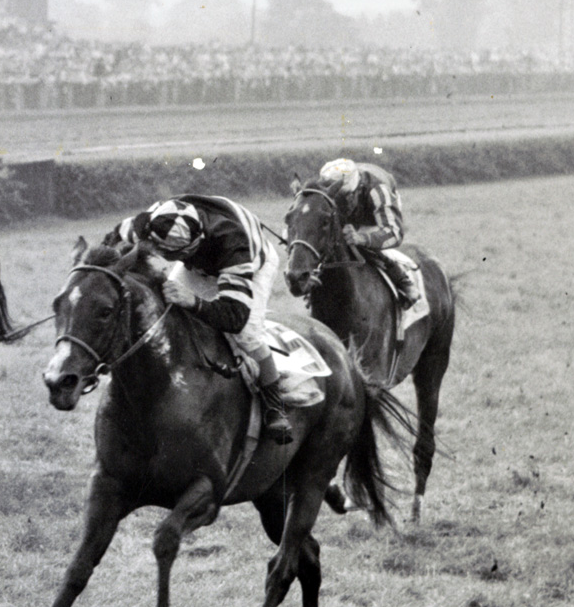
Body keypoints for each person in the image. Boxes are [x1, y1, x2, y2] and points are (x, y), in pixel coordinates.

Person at [108, 195, 294, 444]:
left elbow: (234, 317)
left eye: (167, 253)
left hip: (253, 263)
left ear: (190, 248)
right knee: (165, 304)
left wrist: (193, 302)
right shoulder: (155, 220)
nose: (159, 254)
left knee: (246, 335)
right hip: (202, 258)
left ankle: (275, 406)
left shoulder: (233, 244)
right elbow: (110, 243)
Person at [316, 158, 419, 308]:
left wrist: (362, 238)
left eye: (342, 198)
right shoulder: (327, 189)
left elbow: (394, 233)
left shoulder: (378, 191)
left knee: (367, 243)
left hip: (376, 211)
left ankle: (403, 281)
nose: (339, 204)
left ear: (354, 191)